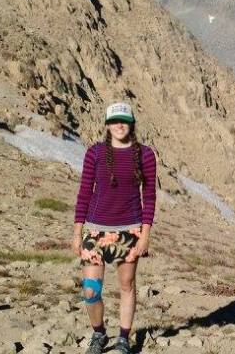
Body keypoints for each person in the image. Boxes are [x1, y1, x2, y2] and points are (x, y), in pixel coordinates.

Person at [71, 102, 157, 354]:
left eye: (124, 120)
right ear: (107, 125)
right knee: (91, 290)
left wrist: (145, 235)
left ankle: (123, 338)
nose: (119, 125)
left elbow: (149, 196)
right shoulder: (94, 153)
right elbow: (84, 193)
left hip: (130, 231)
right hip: (95, 230)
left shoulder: (145, 154)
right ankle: (99, 333)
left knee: (127, 285)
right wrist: (77, 233)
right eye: (114, 121)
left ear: (132, 124)